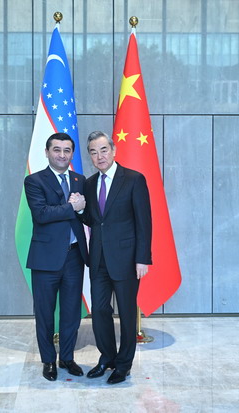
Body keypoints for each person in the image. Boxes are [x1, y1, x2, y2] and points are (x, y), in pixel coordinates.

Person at [81, 130, 152, 384]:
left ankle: (124, 365)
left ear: (113, 151)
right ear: (89, 155)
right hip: (98, 259)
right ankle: (107, 358)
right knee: (99, 311)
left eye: (103, 150)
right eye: (93, 151)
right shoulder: (89, 184)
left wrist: (143, 258)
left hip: (127, 260)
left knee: (126, 313)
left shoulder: (133, 179)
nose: (99, 156)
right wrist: (79, 211)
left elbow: (144, 222)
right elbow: (93, 220)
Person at [24, 132, 88, 381]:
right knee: (45, 312)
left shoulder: (79, 179)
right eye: (57, 150)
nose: (62, 155)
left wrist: (81, 209)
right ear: (47, 152)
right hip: (45, 258)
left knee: (71, 312)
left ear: (72, 154)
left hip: (74, 257)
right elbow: (41, 214)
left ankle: (68, 358)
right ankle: (48, 360)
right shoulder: (34, 181)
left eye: (67, 150)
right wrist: (72, 207)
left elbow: (84, 216)